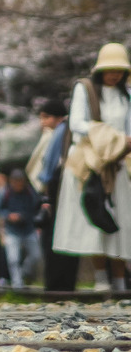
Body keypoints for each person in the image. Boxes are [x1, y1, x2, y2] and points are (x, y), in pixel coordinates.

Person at [53, 43, 131, 292]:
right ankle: (100, 279)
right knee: (93, 216)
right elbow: (77, 123)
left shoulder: (125, 95)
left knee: (122, 220)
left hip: (118, 163)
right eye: (110, 69)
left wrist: (121, 144)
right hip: (90, 162)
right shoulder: (84, 89)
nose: (114, 74)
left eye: (119, 69)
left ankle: (120, 281)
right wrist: (107, 136)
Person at [27, 100, 76, 291]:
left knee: (54, 237)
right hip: (61, 188)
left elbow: (48, 167)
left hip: (57, 188)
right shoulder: (61, 131)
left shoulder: (60, 132)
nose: (42, 123)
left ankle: (56, 283)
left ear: (57, 117)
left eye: (45, 117)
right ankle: (62, 283)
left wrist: (45, 195)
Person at [0, 168, 43, 288]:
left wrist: (23, 216)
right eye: (16, 181)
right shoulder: (6, 193)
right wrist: (8, 215)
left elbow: (36, 209)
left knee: (36, 255)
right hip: (12, 230)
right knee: (13, 258)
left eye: (20, 181)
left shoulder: (30, 192)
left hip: (28, 229)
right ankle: (17, 284)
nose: (18, 184)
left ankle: (24, 273)